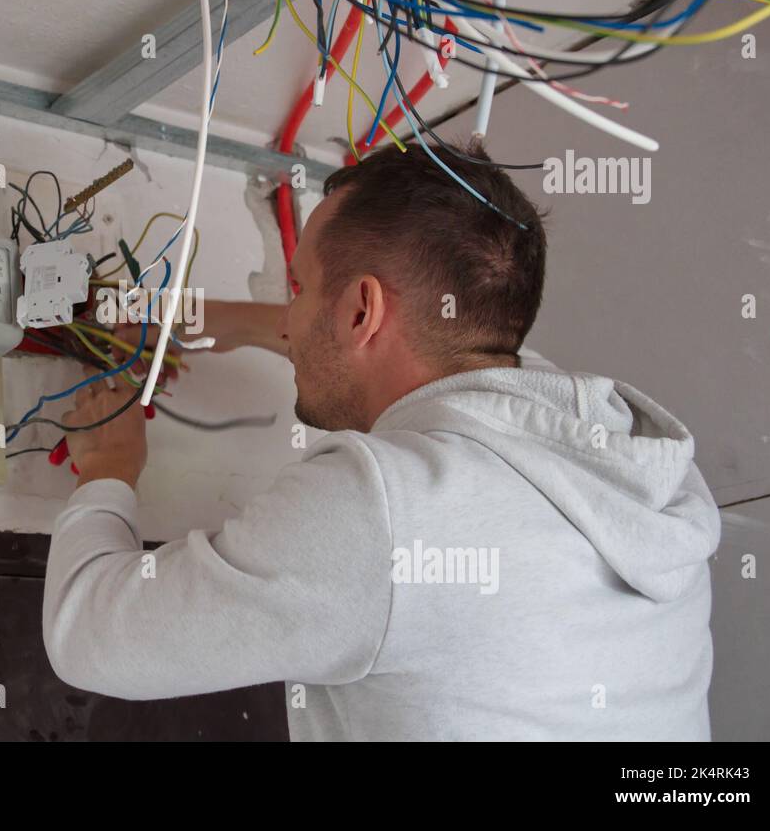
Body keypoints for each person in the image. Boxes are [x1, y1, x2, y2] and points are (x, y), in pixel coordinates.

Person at [40, 140, 721, 741]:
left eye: (299, 286)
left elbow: (91, 638)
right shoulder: (618, 456)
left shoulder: (383, 510)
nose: (292, 308)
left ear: (361, 309)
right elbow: (416, 352)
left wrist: (109, 469)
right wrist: (195, 320)